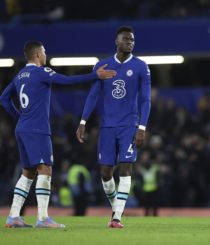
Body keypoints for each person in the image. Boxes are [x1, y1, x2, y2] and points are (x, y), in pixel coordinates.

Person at [0, 40, 116, 228]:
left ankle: (13, 216)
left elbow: (4, 99)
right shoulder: (41, 72)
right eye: (44, 51)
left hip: (22, 128)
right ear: (37, 55)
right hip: (38, 129)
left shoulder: (19, 75)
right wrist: (95, 75)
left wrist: (19, 117)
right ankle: (43, 218)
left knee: (28, 172)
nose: (46, 55)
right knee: (45, 169)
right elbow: (66, 81)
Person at [76, 26, 151, 228]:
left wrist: (142, 127)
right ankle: (117, 206)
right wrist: (83, 121)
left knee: (126, 168)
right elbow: (93, 95)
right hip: (107, 126)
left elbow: (146, 99)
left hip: (129, 125)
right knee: (105, 173)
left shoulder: (141, 66)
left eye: (132, 40)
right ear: (116, 42)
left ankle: (116, 217)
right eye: (126, 39)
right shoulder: (102, 66)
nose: (130, 42)